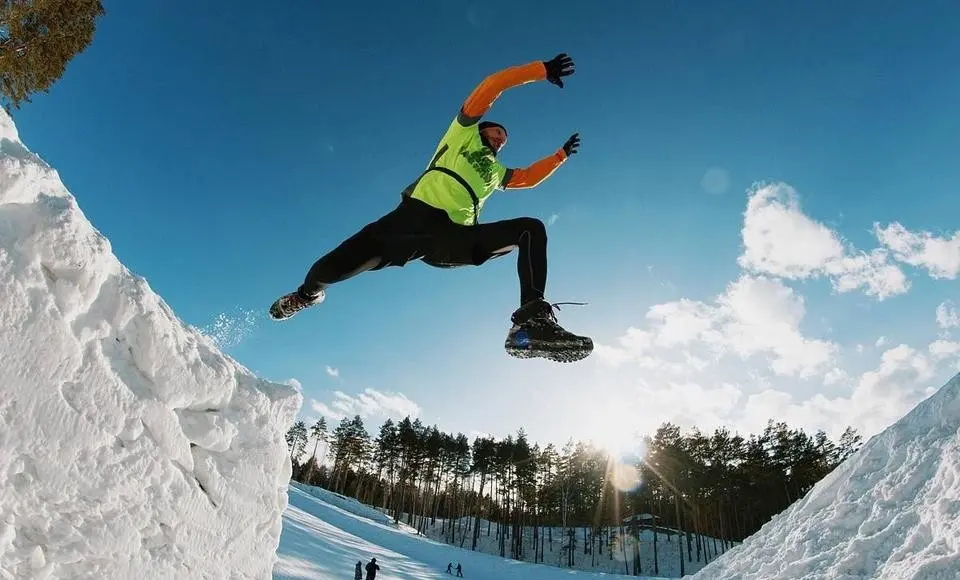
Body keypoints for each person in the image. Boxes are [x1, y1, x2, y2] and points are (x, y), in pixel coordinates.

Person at [269, 53, 593, 363]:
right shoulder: (462, 135)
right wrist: (540, 70)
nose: (500, 141)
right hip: (411, 221)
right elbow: (493, 84)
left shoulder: (495, 173)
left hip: (454, 237)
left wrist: (560, 156)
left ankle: (531, 324)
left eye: (503, 141)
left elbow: (528, 178)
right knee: (328, 270)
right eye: (496, 134)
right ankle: (305, 296)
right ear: (481, 129)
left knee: (530, 229)